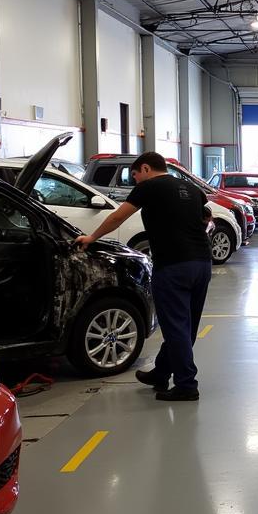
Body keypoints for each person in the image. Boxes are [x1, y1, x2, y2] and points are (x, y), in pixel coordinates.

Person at [75, 152, 211, 402]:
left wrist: (91, 238)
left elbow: (118, 216)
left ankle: (186, 385)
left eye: (135, 175)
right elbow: (206, 216)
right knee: (186, 325)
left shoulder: (149, 187)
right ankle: (161, 373)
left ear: (146, 169)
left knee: (175, 327)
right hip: (202, 262)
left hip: (173, 265)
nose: (135, 180)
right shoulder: (190, 187)